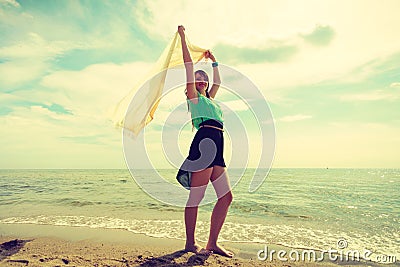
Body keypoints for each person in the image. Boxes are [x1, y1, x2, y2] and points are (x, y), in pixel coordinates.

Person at [176, 25, 234, 258]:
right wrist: (183, 37)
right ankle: (190, 243)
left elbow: (218, 80)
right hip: (204, 143)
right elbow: (189, 67)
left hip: (218, 143)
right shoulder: (194, 98)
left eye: (204, 79)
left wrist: (214, 61)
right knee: (196, 197)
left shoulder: (211, 99)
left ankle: (212, 243)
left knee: (226, 197)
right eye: (197, 78)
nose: (200, 80)